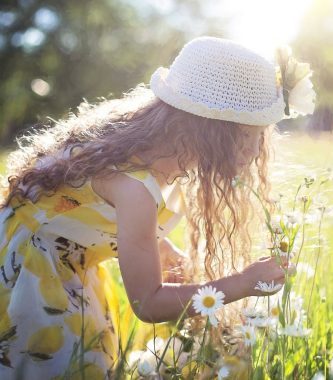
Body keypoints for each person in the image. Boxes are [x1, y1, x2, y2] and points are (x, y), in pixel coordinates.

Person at [0, 36, 315, 378]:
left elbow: (76, 209)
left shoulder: (150, 148)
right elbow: (147, 303)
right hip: (31, 277)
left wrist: (159, 246)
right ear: (211, 130)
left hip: (60, 259)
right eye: (249, 136)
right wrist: (242, 283)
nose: (256, 152)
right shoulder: (135, 186)